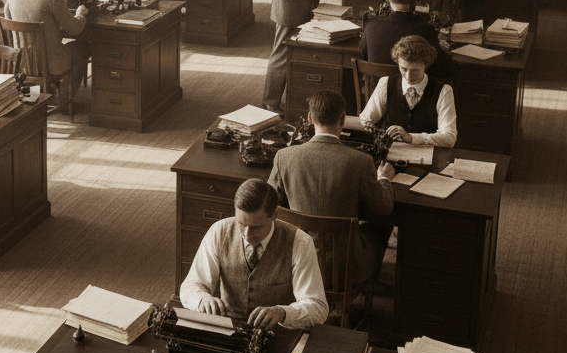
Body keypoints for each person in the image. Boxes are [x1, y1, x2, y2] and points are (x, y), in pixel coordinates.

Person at [269, 90, 396, 285]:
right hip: (346, 269)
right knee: (382, 226)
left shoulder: (283, 157)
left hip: (298, 262)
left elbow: (270, 206)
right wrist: (384, 179)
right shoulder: (362, 161)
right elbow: (384, 207)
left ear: (310, 118)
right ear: (343, 118)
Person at [179, 178, 327, 329]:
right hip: (228, 328)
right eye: (241, 224)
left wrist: (283, 312)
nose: (247, 235)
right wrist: (203, 299)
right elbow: (190, 286)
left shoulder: (300, 242)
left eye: (256, 227)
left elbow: (318, 308)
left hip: (277, 331)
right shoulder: (219, 231)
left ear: (274, 215)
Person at [3, 0, 88, 93]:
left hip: (23, 61)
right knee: (83, 48)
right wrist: (80, 14)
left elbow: (8, 20)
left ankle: (46, 90)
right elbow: (74, 29)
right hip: (51, 64)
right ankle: (66, 96)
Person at [360, 35, 457, 147]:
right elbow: (364, 120)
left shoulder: (444, 91)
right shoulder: (385, 83)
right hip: (393, 150)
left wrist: (411, 137)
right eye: (404, 69)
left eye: (415, 70)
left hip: (426, 151)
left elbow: (449, 138)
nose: (408, 76)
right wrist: (378, 134)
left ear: (426, 65)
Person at [360, 0, 441, 66]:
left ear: (390, 4)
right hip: (409, 74)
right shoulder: (426, 28)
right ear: (413, 7)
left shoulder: (371, 25)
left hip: (374, 74)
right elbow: (435, 59)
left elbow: (364, 54)